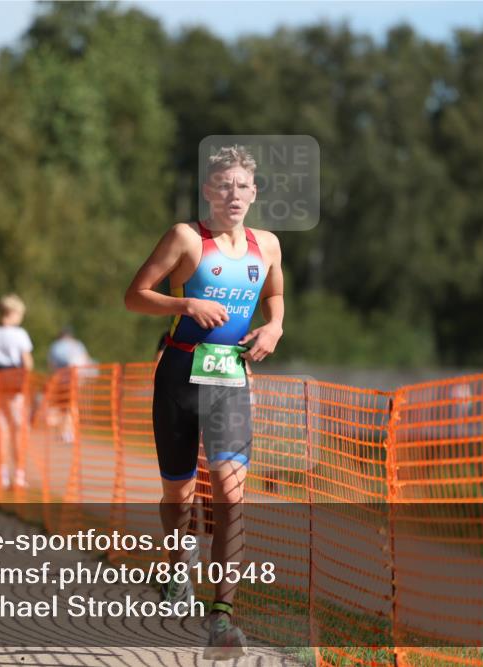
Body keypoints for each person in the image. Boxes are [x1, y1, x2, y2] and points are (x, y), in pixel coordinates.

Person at [124, 145, 285, 658]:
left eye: (242, 186)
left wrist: (274, 327)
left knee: (231, 496)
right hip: (178, 372)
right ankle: (176, 566)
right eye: (223, 185)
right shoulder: (186, 239)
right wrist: (185, 302)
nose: (233, 194)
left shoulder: (269, 246)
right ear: (208, 192)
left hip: (231, 376)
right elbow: (134, 295)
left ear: (254, 193)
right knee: (178, 496)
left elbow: (275, 294)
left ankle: (222, 618)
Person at [0, 294, 34, 491]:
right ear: (13, 312)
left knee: (0, 429)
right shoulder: (19, 334)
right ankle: (18, 475)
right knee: (18, 430)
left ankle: (1, 474)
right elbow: (27, 362)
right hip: (14, 381)